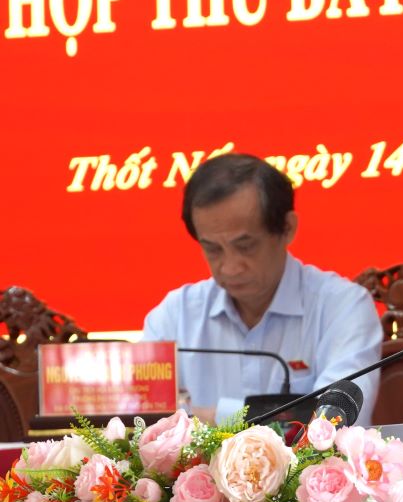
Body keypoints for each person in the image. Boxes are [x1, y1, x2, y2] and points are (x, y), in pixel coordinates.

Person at [142, 153, 383, 426]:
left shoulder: (343, 307)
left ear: (287, 228)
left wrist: (210, 418)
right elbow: (140, 423)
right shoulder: (175, 315)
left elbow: (336, 422)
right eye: (213, 249)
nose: (230, 267)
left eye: (246, 246)